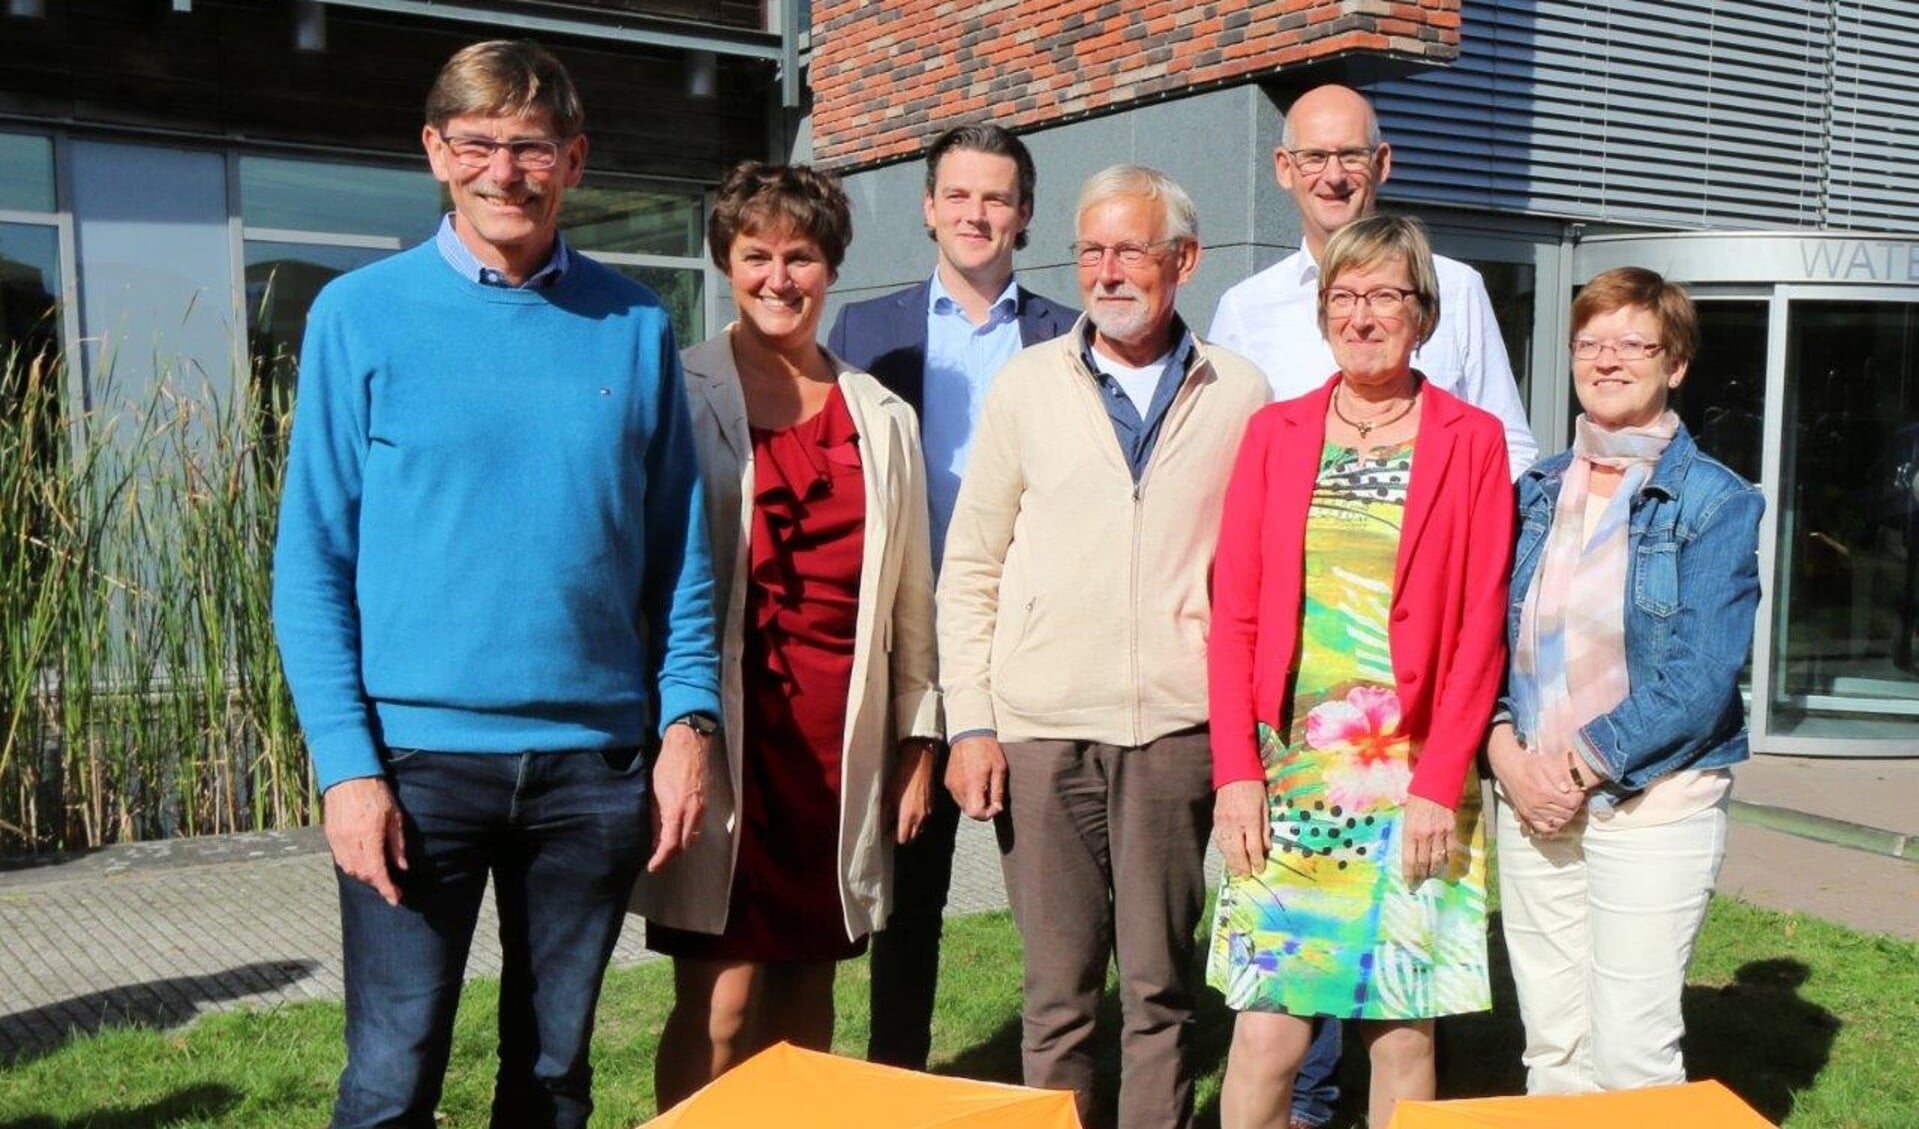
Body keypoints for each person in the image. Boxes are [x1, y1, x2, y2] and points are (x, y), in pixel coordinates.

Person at [271, 40, 719, 1129]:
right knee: (389, 1075)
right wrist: (346, 769)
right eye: (476, 143)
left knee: (555, 1073)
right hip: (417, 767)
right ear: (435, 152)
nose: (503, 171)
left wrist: (687, 721)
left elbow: (680, 552)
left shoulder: (635, 321)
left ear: (574, 159)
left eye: (530, 147)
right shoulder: (358, 316)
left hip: (591, 769)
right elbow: (310, 562)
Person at [1208, 83, 1535, 1127]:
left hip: (1412, 775)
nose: (1361, 316)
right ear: (1322, 312)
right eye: (1344, 299)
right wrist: (1235, 774)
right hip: (1290, 768)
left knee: (1401, 1028)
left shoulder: (1467, 441)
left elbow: (1479, 625)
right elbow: (1238, 619)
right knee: (1264, 1029)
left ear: (1420, 314)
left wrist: (1442, 779)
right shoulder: (1274, 435)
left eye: (1385, 297)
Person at [939, 164, 1269, 1129]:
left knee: (1162, 994)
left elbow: (1257, 572)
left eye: (1130, 249)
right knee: (1055, 999)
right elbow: (972, 566)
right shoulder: (1026, 386)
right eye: (1091, 250)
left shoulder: (1241, 392)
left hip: (1175, 732)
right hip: (1041, 734)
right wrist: (971, 722)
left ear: (1184, 260)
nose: (1107, 270)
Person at [635, 161, 943, 1110]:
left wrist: (918, 737)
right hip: (725, 732)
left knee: (810, 998)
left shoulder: (881, 416)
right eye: (756, 254)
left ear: (829, 267)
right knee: (718, 1004)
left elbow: (910, 602)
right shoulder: (678, 390)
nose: (779, 277)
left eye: (800, 255)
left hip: (835, 741)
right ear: (726, 262)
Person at [826, 123, 1075, 1070]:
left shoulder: (1064, 336)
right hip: (915, 653)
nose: (978, 215)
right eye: (959, 196)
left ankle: (1059, 1077)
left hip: (1036, 649)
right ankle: (901, 1076)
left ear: (1025, 213)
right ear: (930, 207)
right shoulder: (866, 334)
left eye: (998, 197)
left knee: (1052, 896)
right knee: (911, 892)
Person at [1488, 266, 1763, 1094]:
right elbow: (1491, 651)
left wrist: (1572, 767)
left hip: (1650, 805)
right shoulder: (1534, 492)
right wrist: (1507, 757)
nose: (1606, 360)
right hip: (1531, 801)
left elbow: (1700, 677)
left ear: (1674, 363)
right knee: (1552, 1049)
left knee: (1631, 1057)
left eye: (1632, 343)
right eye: (1589, 342)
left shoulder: (1714, 501)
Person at [1210, 83, 1536, 475]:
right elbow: (1224, 460)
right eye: (1314, 157)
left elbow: (1509, 448)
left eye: (1351, 156)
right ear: (1284, 168)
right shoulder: (1245, 308)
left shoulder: (1455, 287)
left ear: (1382, 163)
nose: (1333, 176)